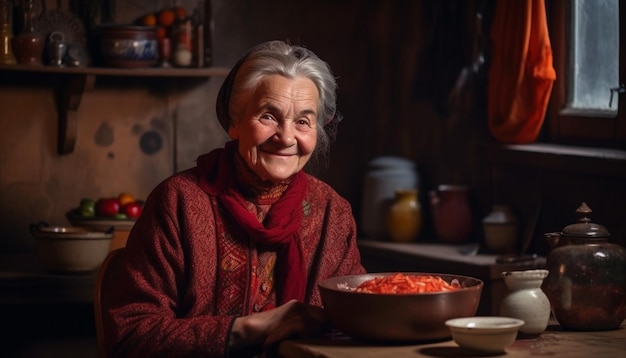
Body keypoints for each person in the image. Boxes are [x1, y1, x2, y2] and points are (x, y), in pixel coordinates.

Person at [103, 40, 366, 357]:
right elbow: (130, 335)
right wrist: (252, 328)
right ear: (234, 123)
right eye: (268, 116)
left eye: (302, 122)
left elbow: (356, 323)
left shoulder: (332, 212)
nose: (285, 137)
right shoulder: (179, 202)